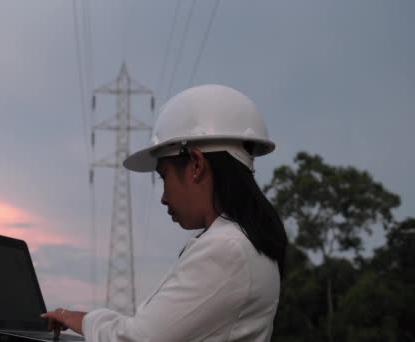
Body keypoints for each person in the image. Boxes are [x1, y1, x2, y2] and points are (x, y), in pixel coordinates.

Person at [41, 84, 288, 341]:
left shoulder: (226, 249)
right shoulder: (247, 241)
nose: (163, 197)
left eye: (163, 176)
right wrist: (84, 320)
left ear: (195, 164)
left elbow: (138, 339)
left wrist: (86, 320)